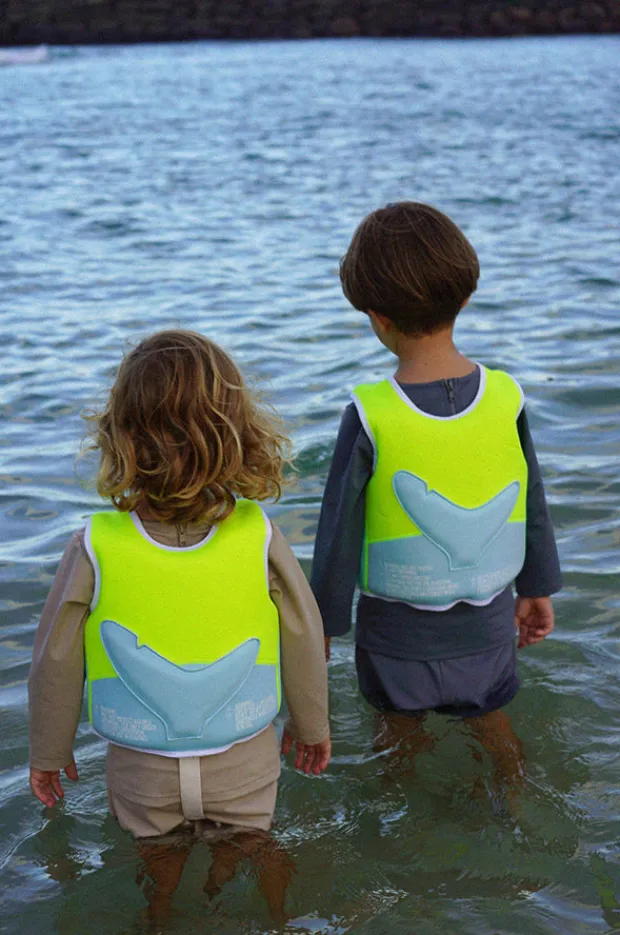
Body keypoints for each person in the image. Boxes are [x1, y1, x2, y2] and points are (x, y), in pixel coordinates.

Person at [28, 329, 330, 924]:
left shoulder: (94, 545)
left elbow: (56, 658)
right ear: (236, 435)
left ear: (121, 439)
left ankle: (161, 920)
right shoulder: (258, 535)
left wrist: (49, 750)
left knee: (157, 859)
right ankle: (275, 919)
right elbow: (302, 633)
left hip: (143, 767)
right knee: (252, 845)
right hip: (242, 759)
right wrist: (311, 725)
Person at [311, 202, 561, 796]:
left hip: (397, 634)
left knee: (399, 734)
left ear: (376, 318)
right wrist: (537, 587)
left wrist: (322, 623)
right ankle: (513, 803)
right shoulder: (506, 397)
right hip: (489, 622)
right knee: (490, 720)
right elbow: (531, 499)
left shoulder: (369, 414)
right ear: (465, 298)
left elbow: (339, 531)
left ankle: (407, 826)